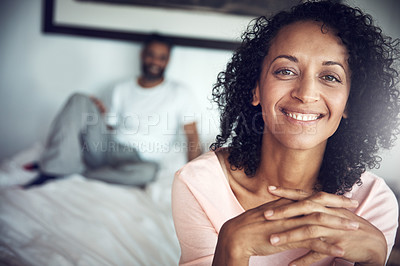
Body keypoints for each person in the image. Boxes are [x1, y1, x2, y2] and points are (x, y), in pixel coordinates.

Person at [172, 1, 400, 265]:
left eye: (330, 77)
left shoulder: (371, 200)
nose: (305, 94)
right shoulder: (199, 183)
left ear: (349, 103)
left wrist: (374, 259)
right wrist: (232, 247)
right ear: (255, 89)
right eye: (286, 71)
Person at [24, 34, 202, 188]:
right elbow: (109, 127)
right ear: (142, 55)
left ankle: (79, 172)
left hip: (140, 161)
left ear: (167, 61)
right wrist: (98, 115)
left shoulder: (180, 93)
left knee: (147, 174)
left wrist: (195, 176)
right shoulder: (121, 88)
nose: (155, 61)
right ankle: (54, 169)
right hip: (106, 149)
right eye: (151, 55)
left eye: (162, 57)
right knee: (79, 99)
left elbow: (192, 136)